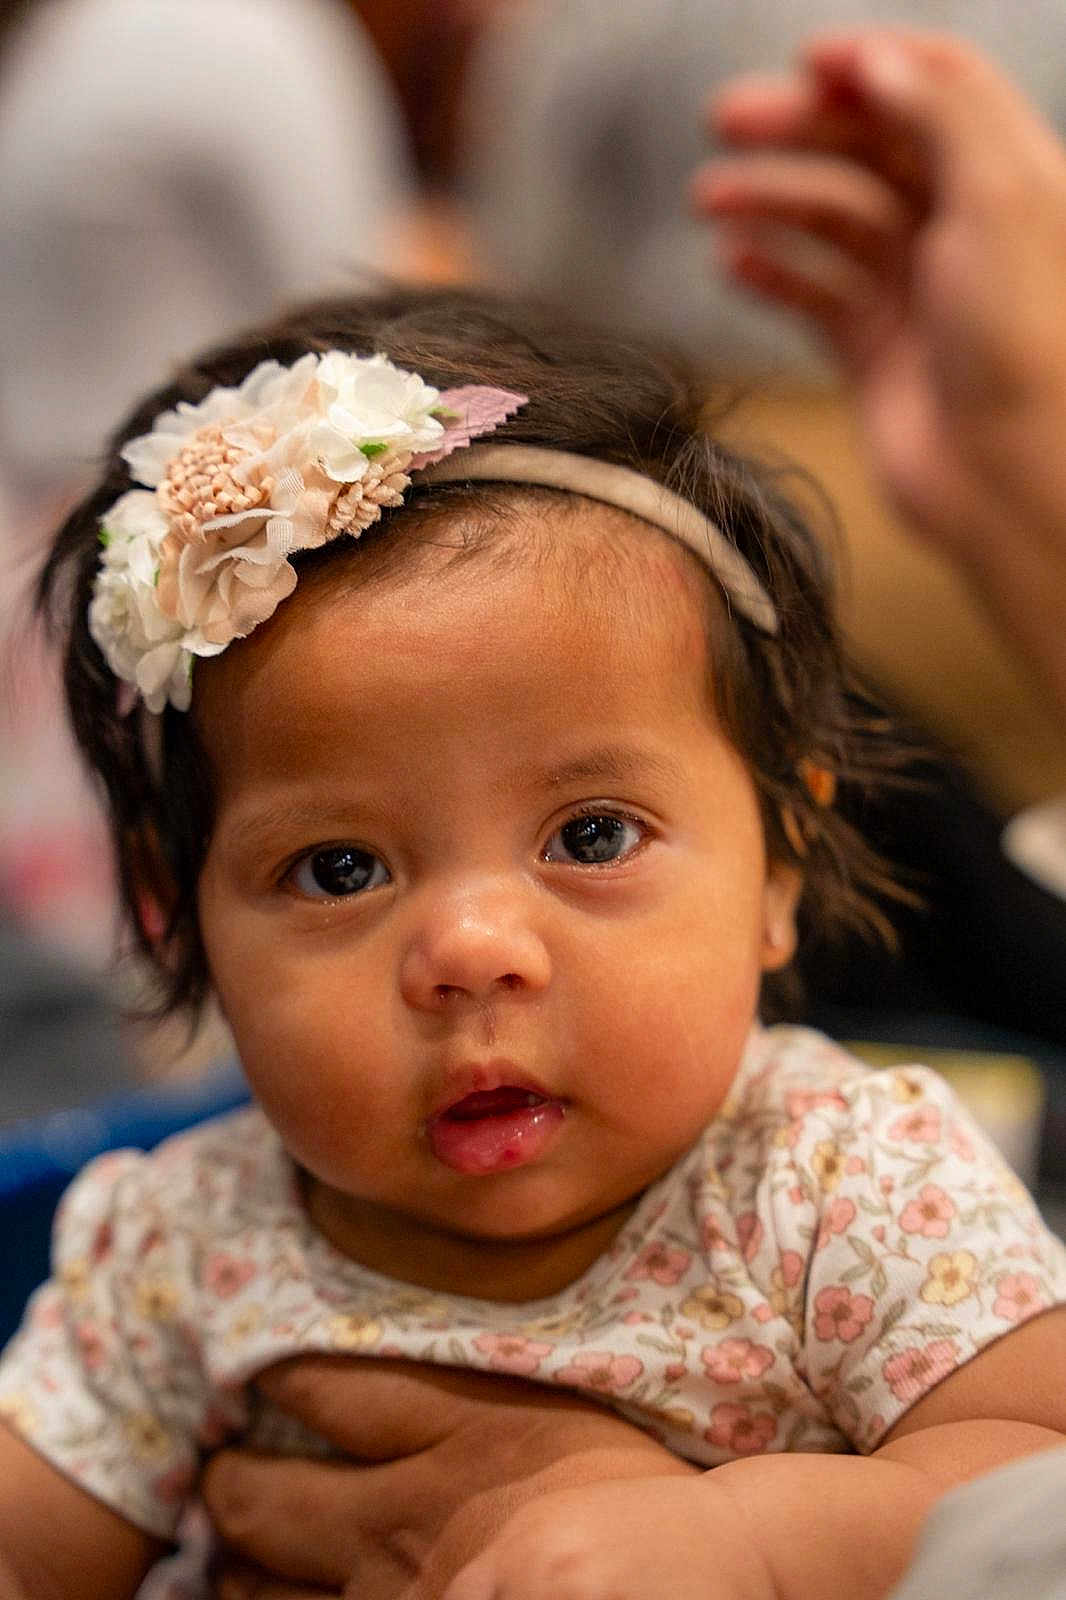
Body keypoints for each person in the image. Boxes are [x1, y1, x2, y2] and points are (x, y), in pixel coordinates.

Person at [0, 278, 1064, 1600]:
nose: (472, 951)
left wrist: (757, 1538)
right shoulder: (184, 1244)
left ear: (779, 862)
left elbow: (1034, 1473)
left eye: (592, 836)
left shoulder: (842, 1187)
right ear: (183, 919)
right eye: (339, 869)